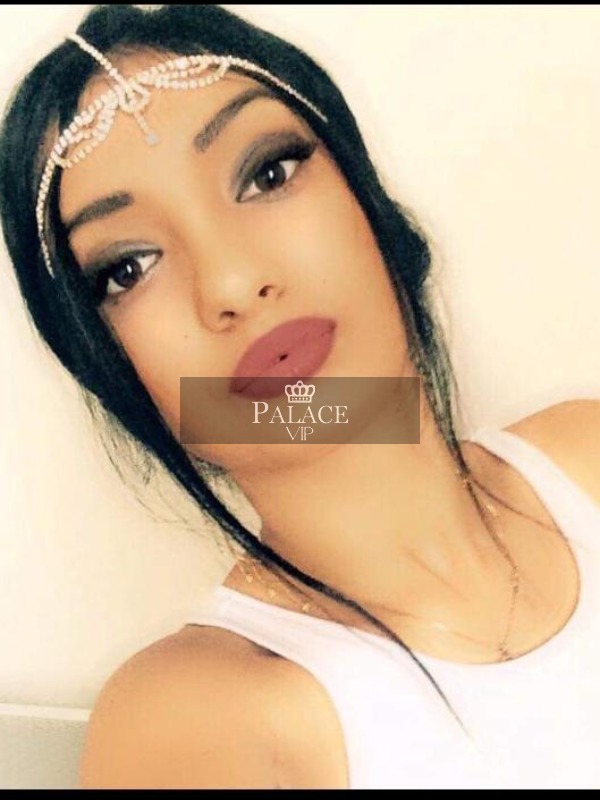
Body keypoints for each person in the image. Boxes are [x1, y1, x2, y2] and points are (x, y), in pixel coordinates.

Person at [1, 3, 599, 790]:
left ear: (370, 207)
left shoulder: (586, 454)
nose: (232, 283)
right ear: (111, 372)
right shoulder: (197, 722)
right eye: (129, 268)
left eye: (269, 173)